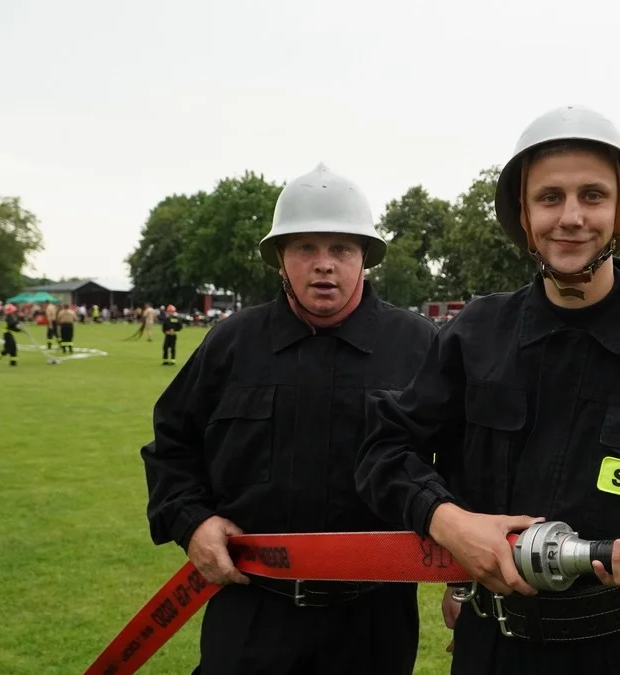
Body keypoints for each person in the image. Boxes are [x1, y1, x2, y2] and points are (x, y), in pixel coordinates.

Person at [355, 105, 620, 674]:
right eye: (550, 197)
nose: (572, 217)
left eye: (593, 195)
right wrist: (449, 521)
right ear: (523, 213)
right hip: (495, 651)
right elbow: (383, 451)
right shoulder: (475, 334)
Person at [141, 163, 439, 675]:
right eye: (306, 248)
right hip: (252, 609)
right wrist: (192, 522)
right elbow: (172, 444)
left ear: (364, 257)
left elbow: (464, 462)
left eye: (341, 249)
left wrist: (461, 581)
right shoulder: (232, 343)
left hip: (373, 620)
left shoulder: (419, 346)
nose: (324, 265)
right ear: (280, 257)